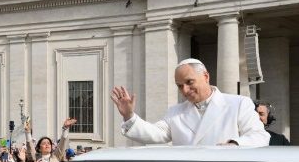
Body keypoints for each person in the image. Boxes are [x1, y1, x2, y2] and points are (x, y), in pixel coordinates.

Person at [111, 58, 269, 146]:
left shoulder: (239, 104)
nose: (185, 90)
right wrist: (129, 116)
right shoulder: (175, 112)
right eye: (180, 86)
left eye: (189, 82)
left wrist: (235, 144)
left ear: (205, 76)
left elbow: (260, 137)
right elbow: (155, 134)